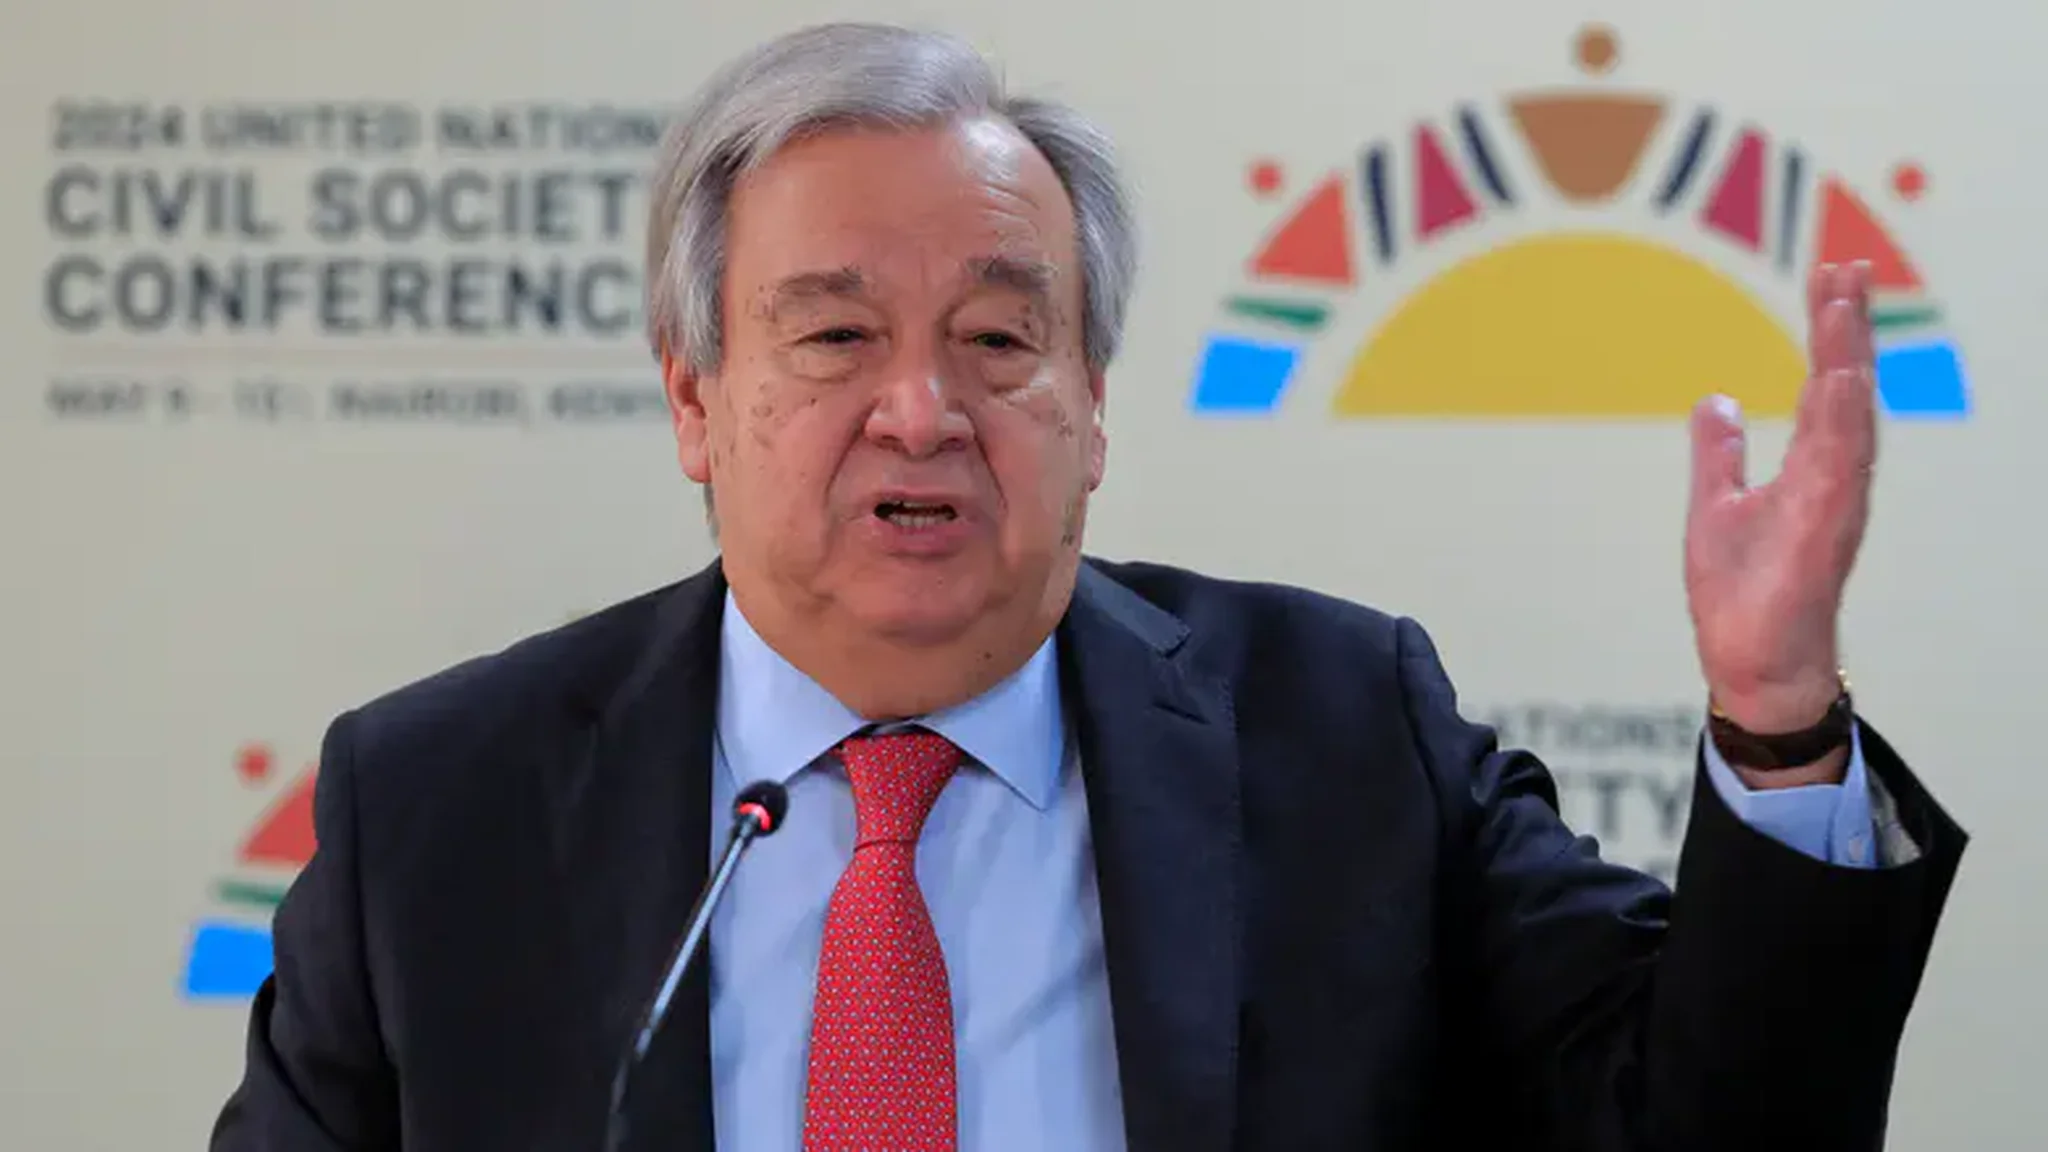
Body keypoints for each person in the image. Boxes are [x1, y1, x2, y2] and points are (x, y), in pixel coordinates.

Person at [210, 21, 1965, 1152]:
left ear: (1094, 406)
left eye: (998, 340)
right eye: (835, 338)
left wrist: (1778, 724)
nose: (922, 411)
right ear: (693, 398)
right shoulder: (437, 811)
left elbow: (1710, 1126)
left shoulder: (1347, 739)